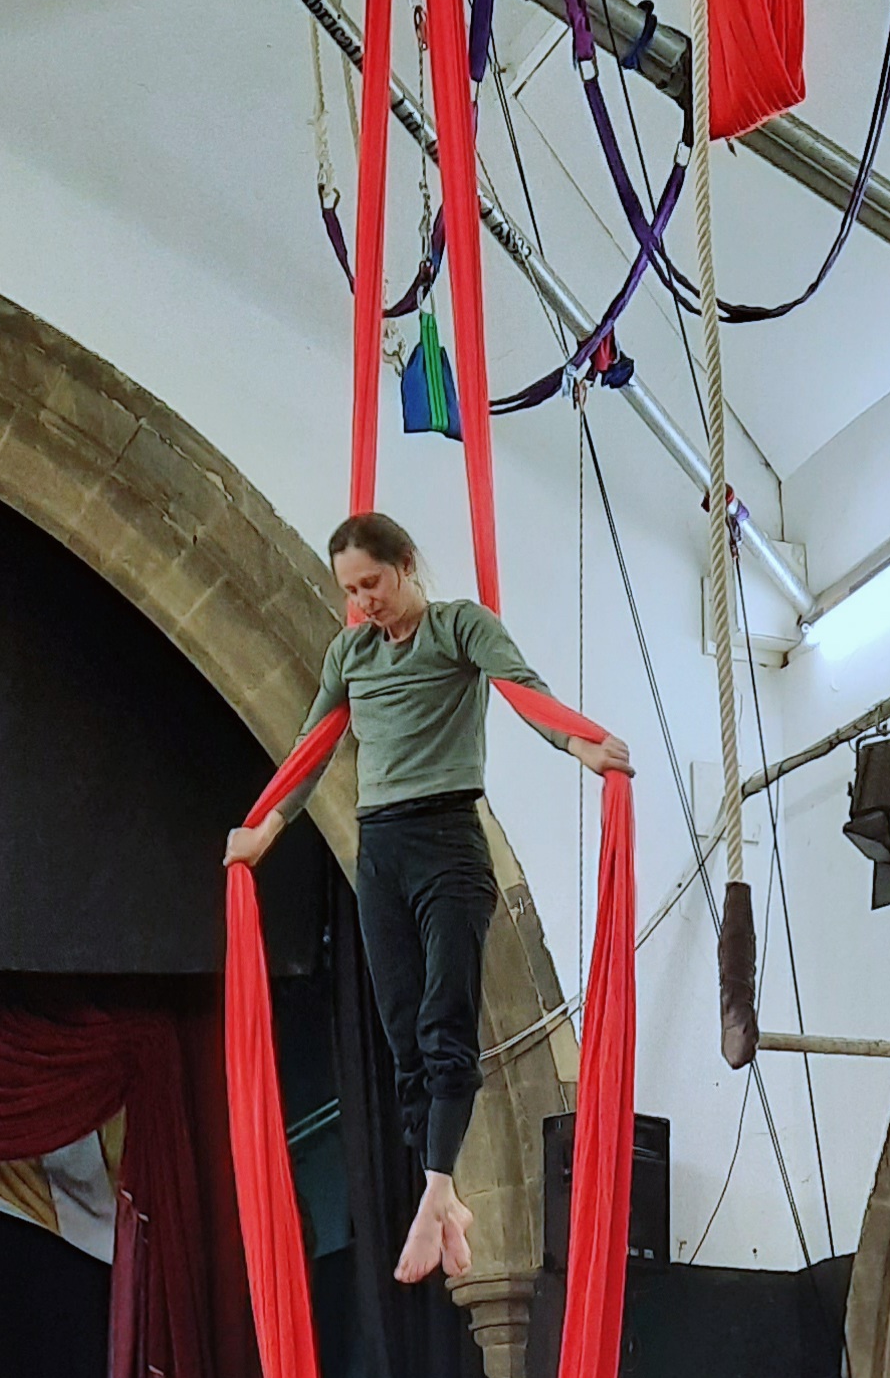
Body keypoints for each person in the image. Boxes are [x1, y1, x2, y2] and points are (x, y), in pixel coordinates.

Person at [227, 513, 630, 1286]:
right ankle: (440, 1196)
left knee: (447, 1019)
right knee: (404, 1032)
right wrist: (265, 829)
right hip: (380, 850)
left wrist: (581, 746)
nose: (363, 602)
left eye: (371, 583)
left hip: (449, 841)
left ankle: (438, 1193)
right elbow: (311, 750)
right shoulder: (349, 653)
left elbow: (522, 690)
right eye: (350, 590)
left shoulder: (459, 629)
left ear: (406, 564)